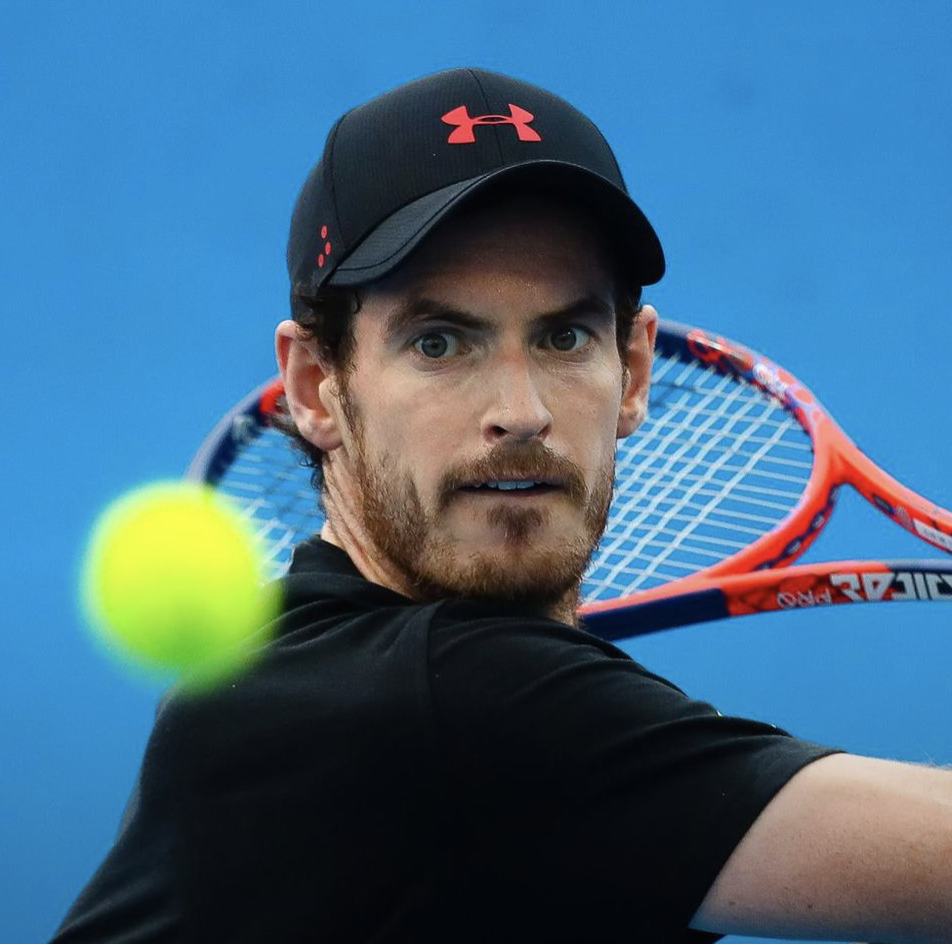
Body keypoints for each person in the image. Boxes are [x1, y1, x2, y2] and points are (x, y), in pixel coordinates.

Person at [51, 68, 950, 944]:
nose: (521, 412)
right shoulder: (436, 700)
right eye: (439, 344)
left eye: (565, 336)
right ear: (317, 386)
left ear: (634, 371)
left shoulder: (325, 675)